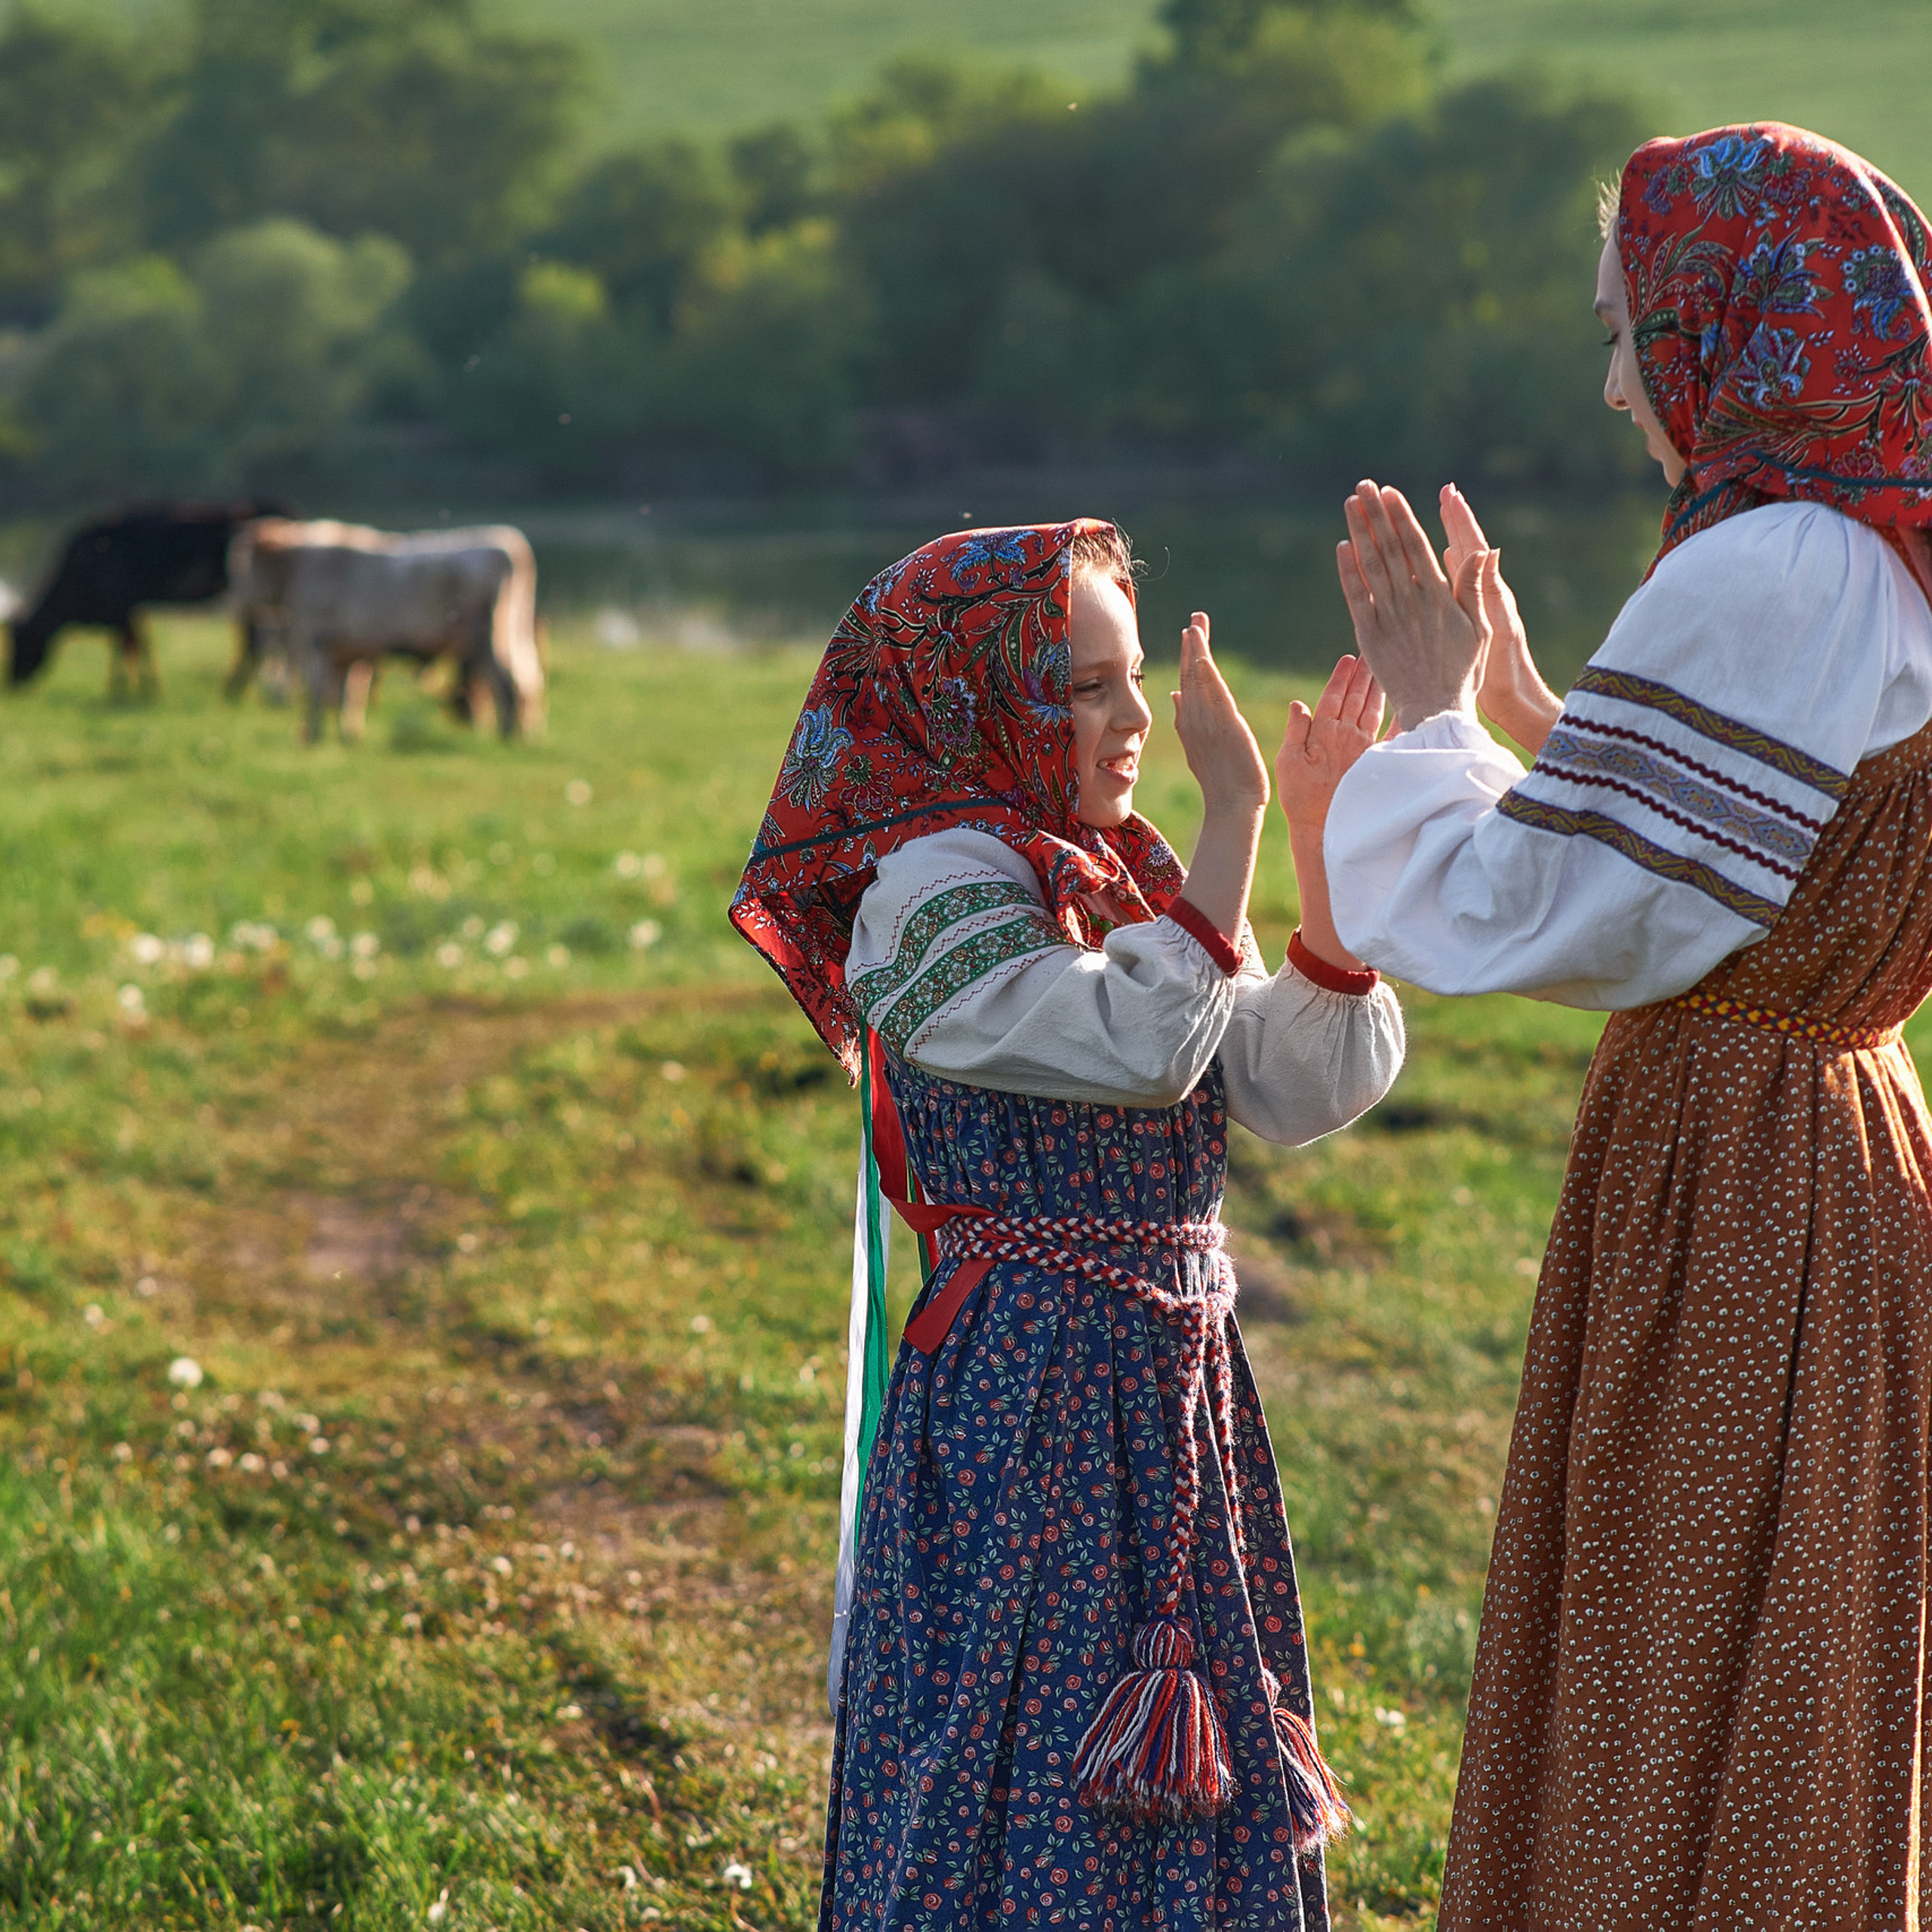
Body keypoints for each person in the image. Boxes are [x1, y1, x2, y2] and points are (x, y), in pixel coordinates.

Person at [1321, 124, 1932, 1927]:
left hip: (1731, 1171)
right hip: (1839, 1137)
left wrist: (1432, 717)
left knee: (1683, 1647)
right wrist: (1540, 717)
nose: (1613, 385)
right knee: (1795, 1658)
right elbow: (1731, 862)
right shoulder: (1884, 549)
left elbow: (1528, 912)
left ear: (1726, 323)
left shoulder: (1773, 570)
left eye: (1625, 329)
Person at [731, 520, 1405, 1930]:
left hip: (1173, 1390)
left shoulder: (1121, 876)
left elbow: (1295, 1078)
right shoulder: (929, 894)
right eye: (1085, 684)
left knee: (1198, 1743)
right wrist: (1231, 830)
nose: (1138, 714)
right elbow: (1143, 1043)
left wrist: (1323, 859)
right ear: (981, 696)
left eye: (1132, 674)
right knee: (1016, 1744)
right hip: (1025, 1394)